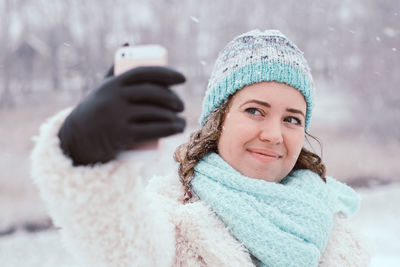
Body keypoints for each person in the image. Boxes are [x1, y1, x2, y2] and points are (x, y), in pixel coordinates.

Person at [31, 29, 370, 266]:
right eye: (255, 111)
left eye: (292, 119)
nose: (273, 134)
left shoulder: (334, 227)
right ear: (218, 118)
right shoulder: (173, 218)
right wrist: (81, 151)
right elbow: (120, 249)